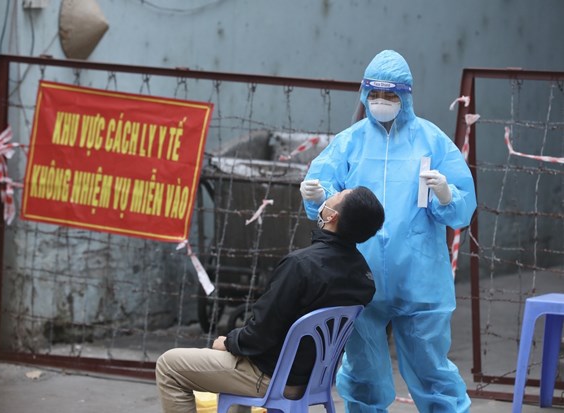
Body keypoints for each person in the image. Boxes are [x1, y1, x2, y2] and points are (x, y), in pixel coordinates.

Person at [300, 49, 476, 412]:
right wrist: (318, 196)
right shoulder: (349, 142)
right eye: (375, 94)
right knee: (363, 371)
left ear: (406, 96)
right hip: (358, 273)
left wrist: (446, 193)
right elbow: (325, 197)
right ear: (365, 94)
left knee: (432, 368)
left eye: (390, 95)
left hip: (419, 276)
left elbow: (462, 210)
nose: (381, 102)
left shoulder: (432, 141)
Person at [156, 186, 385, 413]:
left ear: (332, 216)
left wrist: (227, 342)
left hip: (270, 377)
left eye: (335, 196)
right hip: (314, 380)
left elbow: (258, 337)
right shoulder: (363, 276)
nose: (329, 196)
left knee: (169, 365)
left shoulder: (300, 265)